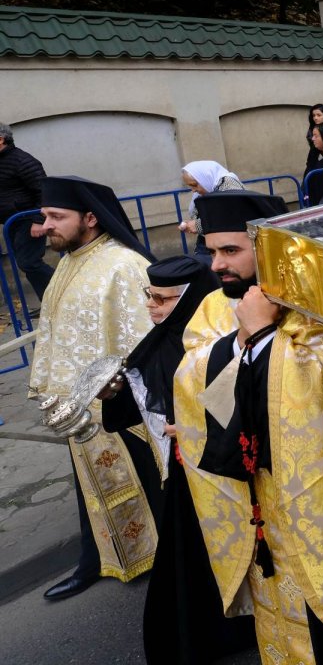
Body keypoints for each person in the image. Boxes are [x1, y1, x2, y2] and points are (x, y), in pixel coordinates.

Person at [173, 190, 323, 663]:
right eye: (211, 250)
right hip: (253, 495)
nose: (216, 265)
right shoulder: (216, 305)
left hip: (314, 495)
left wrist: (263, 336)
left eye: (230, 251)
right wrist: (245, 337)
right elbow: (193, 378)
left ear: (271, 248)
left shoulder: (316, 299)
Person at [100, 254, 255, 664]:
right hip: (185, 474)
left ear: (188, 301)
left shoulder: (217, 336)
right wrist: (114, 394)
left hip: (225, 470)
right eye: (149, 297)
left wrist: (194, 426)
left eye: (163, 300)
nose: (152, 307)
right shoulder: (157, 343)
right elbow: (139, 407)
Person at [29, 176, 160, 600]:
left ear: (89, 217)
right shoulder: (70, 260)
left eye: (55, 216)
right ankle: (98, 560)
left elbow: (146, 338)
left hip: (122, 410)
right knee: (93, 496)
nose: (44, 224)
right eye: (44, 215)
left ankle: (170, 567)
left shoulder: (123, 264)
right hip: (78, 411)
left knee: (149, 490)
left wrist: (119, 391)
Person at [0, 123, 55, 298]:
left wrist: (39, 221)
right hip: (13, 222)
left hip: (28, 219)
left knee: (29, 262)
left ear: (1, 140)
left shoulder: (22, 160)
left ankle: (68, 295)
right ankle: (48, 303)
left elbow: (44, 191)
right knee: (27, 263)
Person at [179, 161, 244, 257]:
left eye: (194, 185)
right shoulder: (208, 188)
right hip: (209, 241)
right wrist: (191, 224)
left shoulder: (228, 184)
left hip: (229, 244)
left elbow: (230, 216)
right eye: (190, 186)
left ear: (205, 178)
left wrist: (197, 225)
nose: (193, 190)